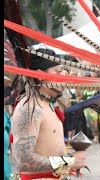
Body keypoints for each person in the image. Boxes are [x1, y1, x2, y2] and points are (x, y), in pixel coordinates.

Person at [10, 49, 87, 179]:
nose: (64, 75)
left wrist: (68, 161)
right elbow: (23, 161)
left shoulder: (47, 105)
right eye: (58, 71)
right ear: (40, 75)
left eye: (64, 71)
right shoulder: (30, 108)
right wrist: (69, 162)